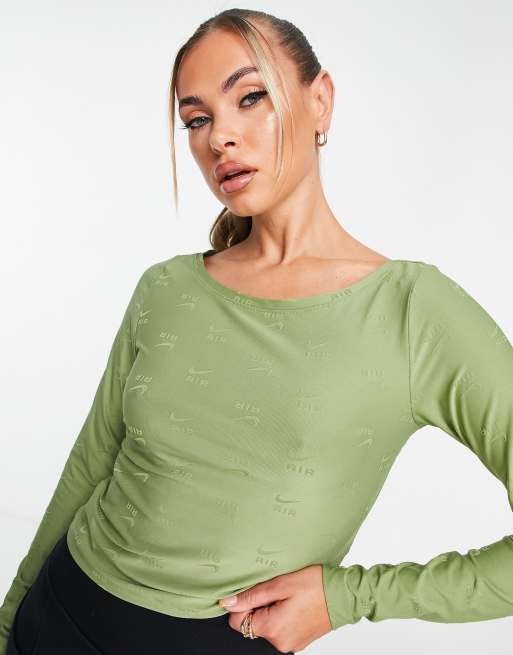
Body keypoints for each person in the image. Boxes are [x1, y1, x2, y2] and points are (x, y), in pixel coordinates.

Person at [2, 7, 513, 655]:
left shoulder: (413, 312)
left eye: (250, 97)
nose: (220, 137)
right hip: (57, 612)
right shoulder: (166, 288)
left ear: (319, 101)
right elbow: (91, 465)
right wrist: (9, 618)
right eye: (196, 119)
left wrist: (352, 596)